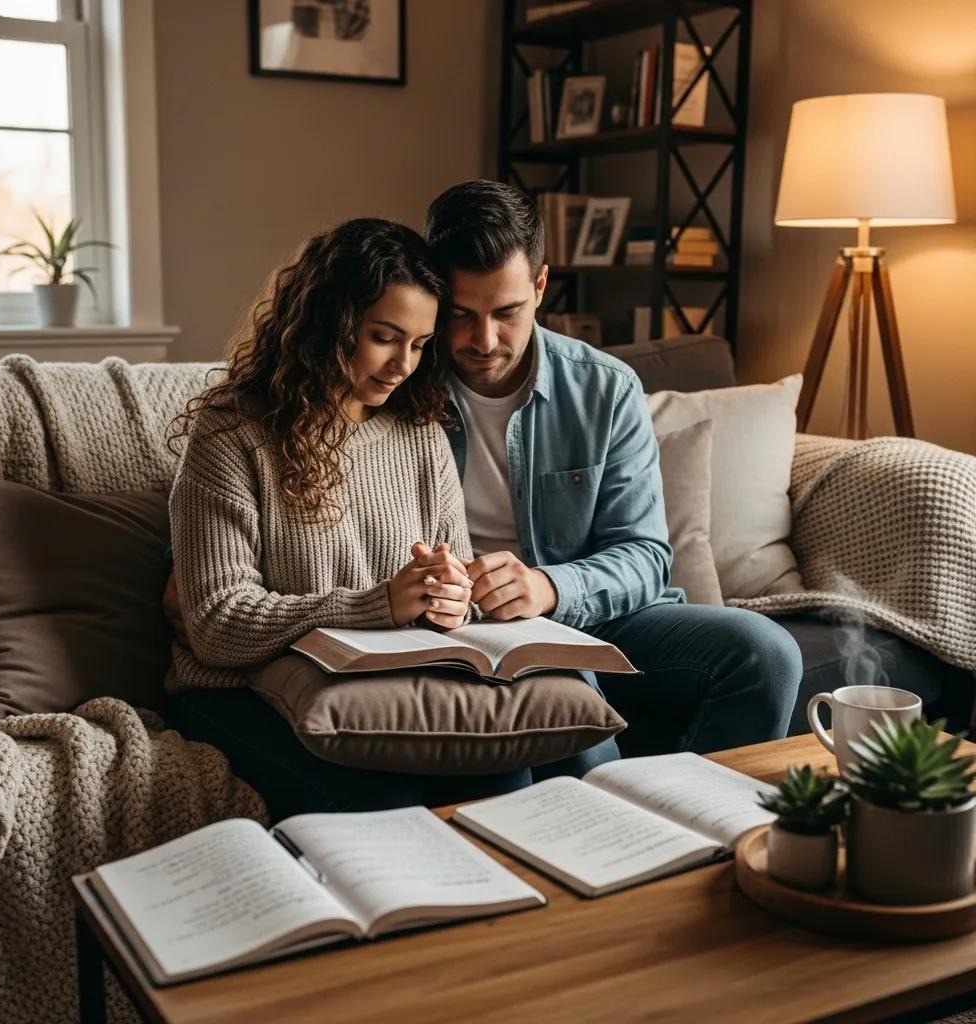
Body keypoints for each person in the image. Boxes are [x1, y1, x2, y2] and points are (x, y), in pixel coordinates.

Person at [164, 218, 537, 820]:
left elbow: (454, 584)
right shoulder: (232, 434)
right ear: (328, 324)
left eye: (419, 345)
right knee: (381, 801)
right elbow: (213, 623)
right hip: (239, 693)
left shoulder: (420, 435)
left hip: (381, 688)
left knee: (508, 773)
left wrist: (450, 597)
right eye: (384, 337)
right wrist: (375, 606)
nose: (402, 366)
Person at [421, 180, 802, 754]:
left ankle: (702, 826)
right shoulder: (400, 378)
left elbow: (646, 557)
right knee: (573, 701)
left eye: (507, 312)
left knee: (767, 653)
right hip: (461, 626)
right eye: (461, 314)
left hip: (589, 613)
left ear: (542, 285)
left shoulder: (605, 388)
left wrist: (548, 585)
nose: (484, 340)